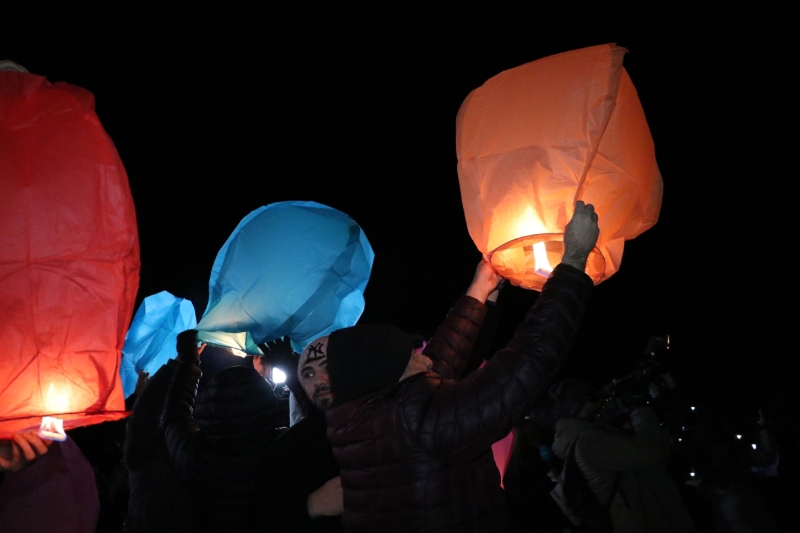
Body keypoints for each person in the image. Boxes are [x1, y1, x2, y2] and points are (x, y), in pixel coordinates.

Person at [320, 201, 599, 532]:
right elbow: (530, 359)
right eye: (412, 358)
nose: (425, 357)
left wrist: (479, 291)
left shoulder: (365, 419)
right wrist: (573, 263)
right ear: (387, 376)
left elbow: (442, 357)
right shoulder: (423, 426)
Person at [263, 262, 505, 532]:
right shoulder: (293, 448)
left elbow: (452, 351)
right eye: (308, 373)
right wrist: (312, 505)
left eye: (332, 365)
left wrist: (484, 291)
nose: (321, 380)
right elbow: (260, 517)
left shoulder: (405, 412)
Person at [161, 330, 285, 533]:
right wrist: (280, 372)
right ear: (266, 402)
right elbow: (315, 423)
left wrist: (189, 362)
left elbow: (174, 412)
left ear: (209, 407)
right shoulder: (283, 450)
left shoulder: (195, 457)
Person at [549, 378, 696, 532]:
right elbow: (650, 451)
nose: (598, 396)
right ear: (577, 406)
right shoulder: (587, 441)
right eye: (589, 395)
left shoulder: (584, 435)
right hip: (645, 521)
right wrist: (638, 407)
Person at [124, 360, 192, 532]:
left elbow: (142, 420)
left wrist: (181, 364)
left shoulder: (144, 455)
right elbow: (143, 421)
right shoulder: (190, 456)